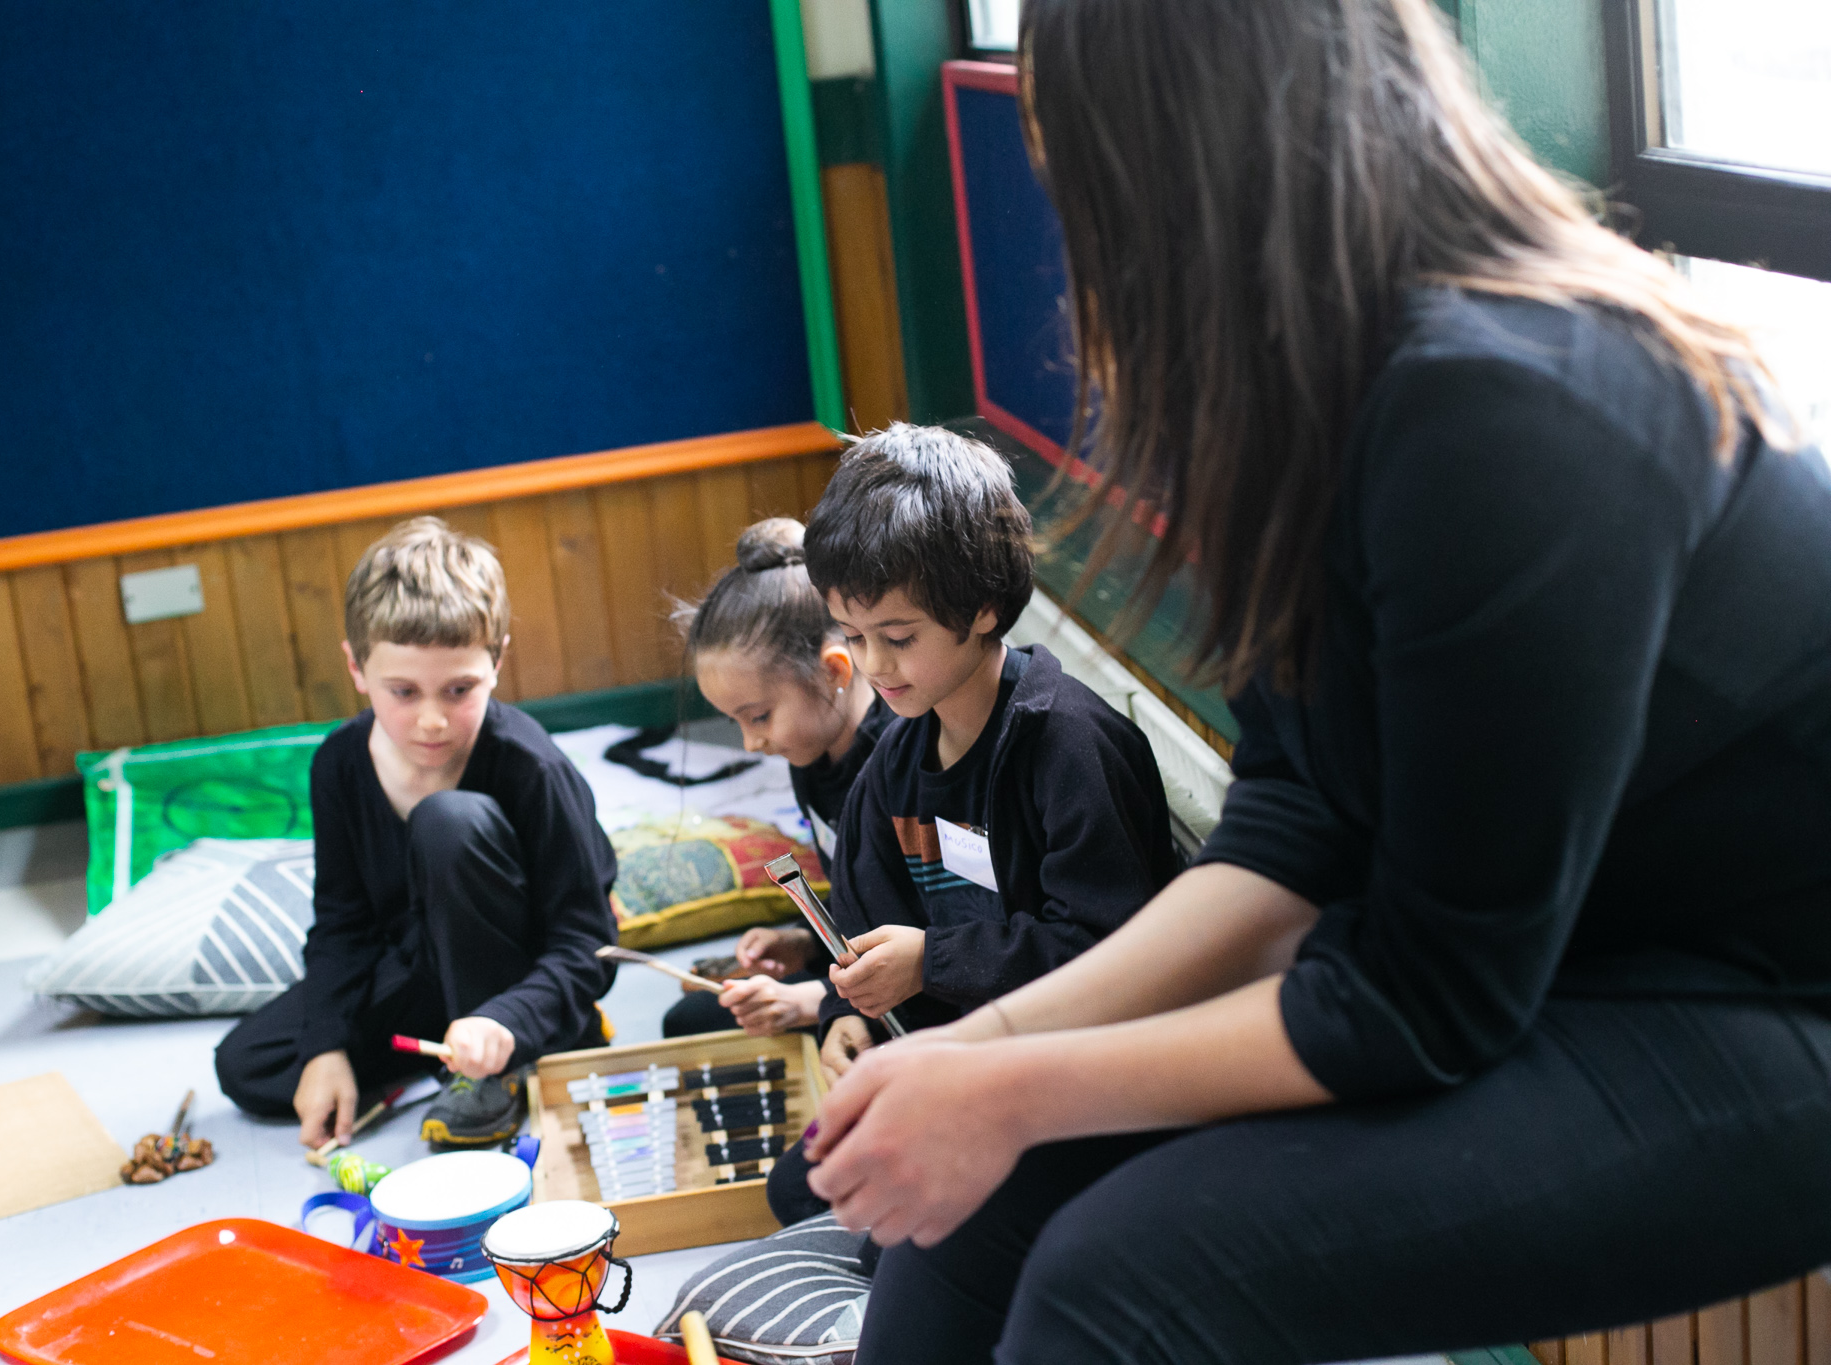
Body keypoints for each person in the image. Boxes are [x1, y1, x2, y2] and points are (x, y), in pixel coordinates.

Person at [797, 3, 1831, 1363]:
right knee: (989, 1204)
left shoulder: (1507, 399)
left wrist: (1012, 1087)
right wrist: (976, 1049)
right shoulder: (1320, 395)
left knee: (1117, 1280)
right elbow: (1291, 824)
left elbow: (1418, 997)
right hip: (1534, 963)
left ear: (1173, 164)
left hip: (1751, 1009)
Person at [768, 423, 1180, 1221]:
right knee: (803, 1187)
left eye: (898, 637)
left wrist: (933, 960)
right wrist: (847, 1016)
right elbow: (864, 925)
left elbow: (1111, 953)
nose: (875, 666)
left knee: (895, 1230)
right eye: (854, 637)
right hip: (954, 1062)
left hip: (1075, 1085)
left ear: (984, 607)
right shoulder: (893, 761)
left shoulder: (1070, 746)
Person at [215, 517, 618, 1150]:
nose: (432, 720)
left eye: (459, 690)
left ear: (497, 661)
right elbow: (343, 924)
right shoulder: (339, 763)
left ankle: (501, 1062)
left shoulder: (533, 767)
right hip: (415, 970)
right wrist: (326, 1047)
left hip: (514, 978)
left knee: (447, 820)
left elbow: (586, 944)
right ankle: (448, 1051)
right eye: (403, 691)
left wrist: (506, 1019)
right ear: (356, 668)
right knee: (249, 1065)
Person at [662, 518, 895, 1041]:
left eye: (760, 716)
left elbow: (926, 937)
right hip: (857, 976)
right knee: (688, 1020)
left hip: (914, 999)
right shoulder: (810, 756)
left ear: (834, 672)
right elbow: (862, 902)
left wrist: (811, 1001)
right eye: (736, 722)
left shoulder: (898, 765)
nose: (750, 743)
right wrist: (806, 943)